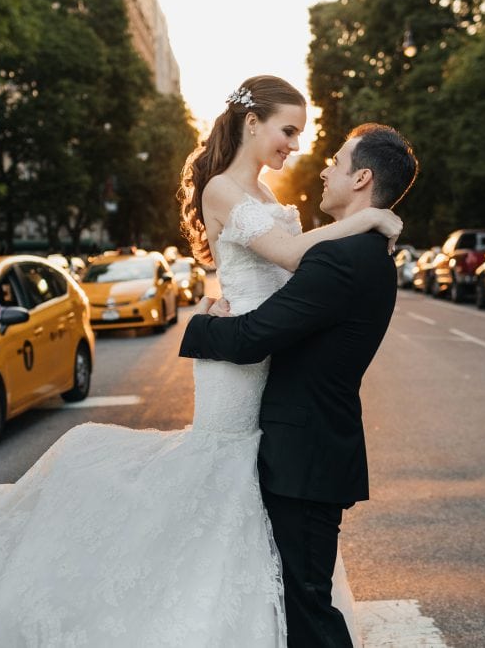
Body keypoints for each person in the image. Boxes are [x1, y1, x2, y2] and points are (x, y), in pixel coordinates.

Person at [0, 75, 403, 647]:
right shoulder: (222, 188)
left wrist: (237, 294)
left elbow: (276, 275)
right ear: (251, 123)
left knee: (243, 486)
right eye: (288, 130)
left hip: (260, 349)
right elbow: (291, 256)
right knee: (221, 464)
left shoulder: (265, 192)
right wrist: (369, 218)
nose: (297, 144)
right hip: (236, 359)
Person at [179, 121, 419, 647]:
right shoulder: (363, 251)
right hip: (308, 452)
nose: (325, 168)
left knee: (307, 609)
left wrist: (200, 323)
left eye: (336, 160)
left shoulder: (341, 260)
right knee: (296, 601)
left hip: (305, 458)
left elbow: (252, 338)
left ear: (362, 179)